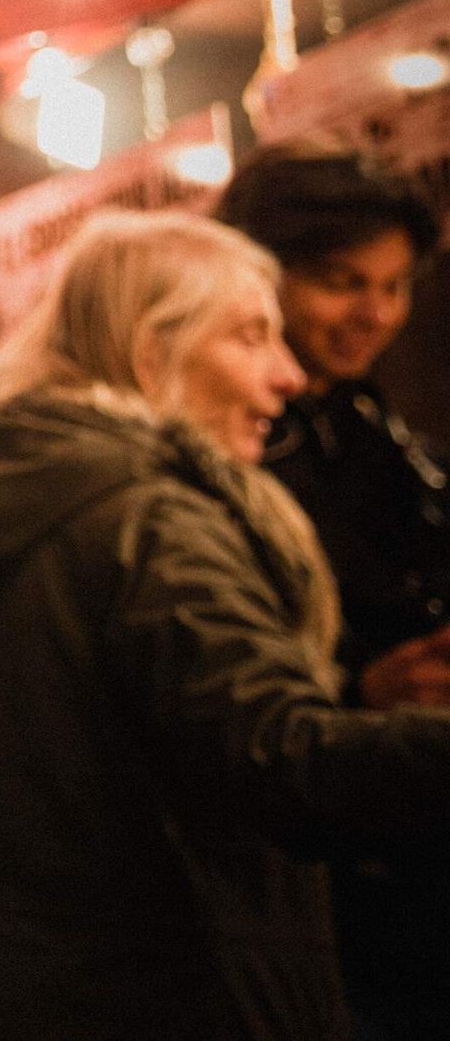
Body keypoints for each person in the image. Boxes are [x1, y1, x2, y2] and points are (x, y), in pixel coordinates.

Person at [0, 210, 450, 1041]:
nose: (287, 376)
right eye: (248, 336)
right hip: (186, 996)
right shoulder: (148, 518)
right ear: (147, 350)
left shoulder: (49, 495)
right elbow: (275, 757)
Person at [218, 146, 450, 1039]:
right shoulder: (232, 449)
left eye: (394, 286)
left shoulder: (368, 421)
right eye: (342, 281)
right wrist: (359, 693)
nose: (375, 313)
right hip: (322, 890)